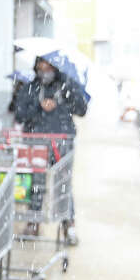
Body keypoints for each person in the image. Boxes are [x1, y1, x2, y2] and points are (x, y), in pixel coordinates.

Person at [14, 57, 88, 245]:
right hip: (36, 142)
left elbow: (81, 109)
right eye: (41, 67)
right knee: (36, 183)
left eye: (48, 67)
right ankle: (34, 221)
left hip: (62, 142)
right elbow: (20, 114)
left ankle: (68, 224)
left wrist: (65, 97)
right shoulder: (30, 87)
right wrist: (38, 107)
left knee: (63, 183)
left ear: (55, 68)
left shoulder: (67, 85)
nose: (44, 71)